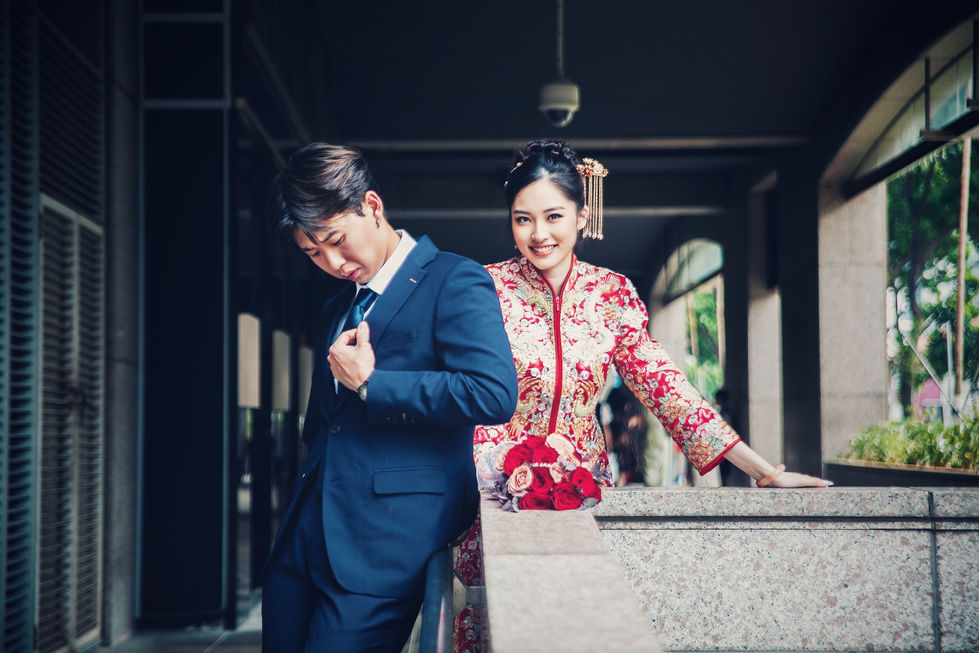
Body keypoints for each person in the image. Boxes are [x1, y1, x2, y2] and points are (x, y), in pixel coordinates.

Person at [453, 139, 830, 652]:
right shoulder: (484, 288)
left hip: (578, 489)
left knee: (579, 627)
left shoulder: (612, 294)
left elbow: (665, 386)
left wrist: (763, 471)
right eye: (523, 219)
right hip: (496, 489)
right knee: (499, 626)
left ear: (582, 215)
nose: (539, 234)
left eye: (553, 216)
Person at [262, 143, 518, 652]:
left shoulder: (454, 278)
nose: (333, 262)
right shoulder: (338, 305)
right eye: (313, 254)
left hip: (385, 544)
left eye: (336, 240)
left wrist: (372, 385)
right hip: (305, 536)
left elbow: (492, 393)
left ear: (372, 206)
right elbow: (323, 424)